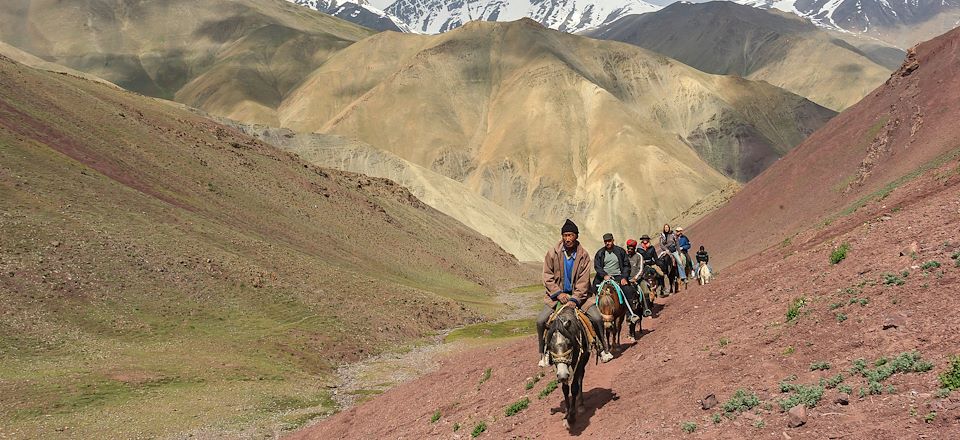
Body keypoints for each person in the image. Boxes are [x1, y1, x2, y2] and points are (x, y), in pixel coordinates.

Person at [537, 219, 614, 367]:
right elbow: (547, 276)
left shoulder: (583, 255)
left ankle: (603, 349)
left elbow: (584, 282)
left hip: (581, 297)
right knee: (540, 321)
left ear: (576, 236)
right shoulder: (552, 253)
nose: (567, 239)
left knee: (597, 318)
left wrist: (575, 299)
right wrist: (558, 294)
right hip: (557, 297)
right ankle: (543, 353)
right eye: (565, 235)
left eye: (570, 235)